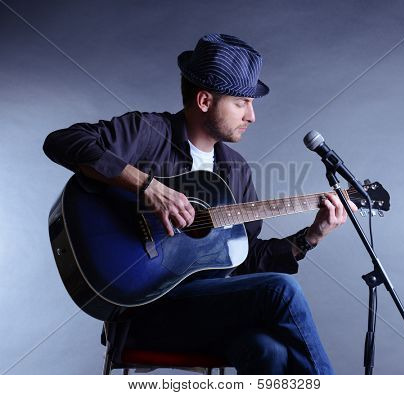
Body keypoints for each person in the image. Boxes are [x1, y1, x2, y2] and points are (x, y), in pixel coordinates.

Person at [43, 33, 356, 374]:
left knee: (268, 351)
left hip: (208, 315)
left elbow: (243, 260)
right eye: (241, 103)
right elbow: (63, 141)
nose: (251, 115)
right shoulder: (147, 132)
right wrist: (147, 186)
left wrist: (311, 236)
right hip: (143, 309)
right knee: (281, 290)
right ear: (205, 100)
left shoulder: (235, 170)